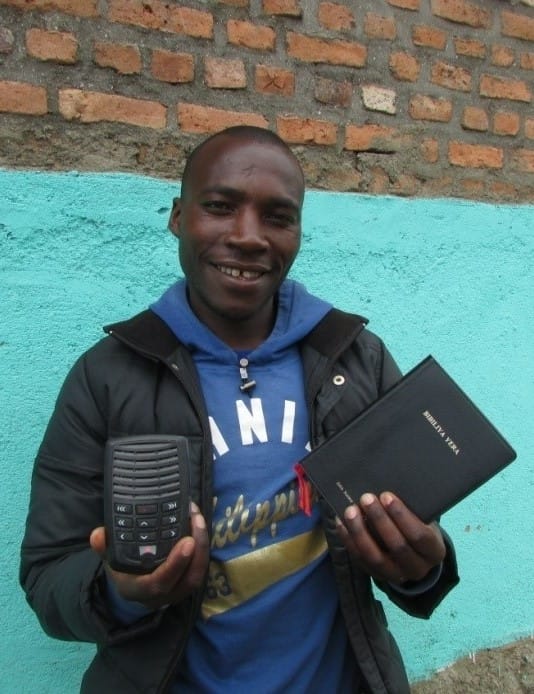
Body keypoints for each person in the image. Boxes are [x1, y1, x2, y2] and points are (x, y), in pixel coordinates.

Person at [20, 126, 459, 694]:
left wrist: (424, 566)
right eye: (220, 207)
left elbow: (413, 531)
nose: (249, 237)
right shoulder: (108, 376)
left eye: (278, 217)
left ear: (298, 232)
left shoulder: (355, 359)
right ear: (179, 216)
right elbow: (48, 572)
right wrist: (119, 591)